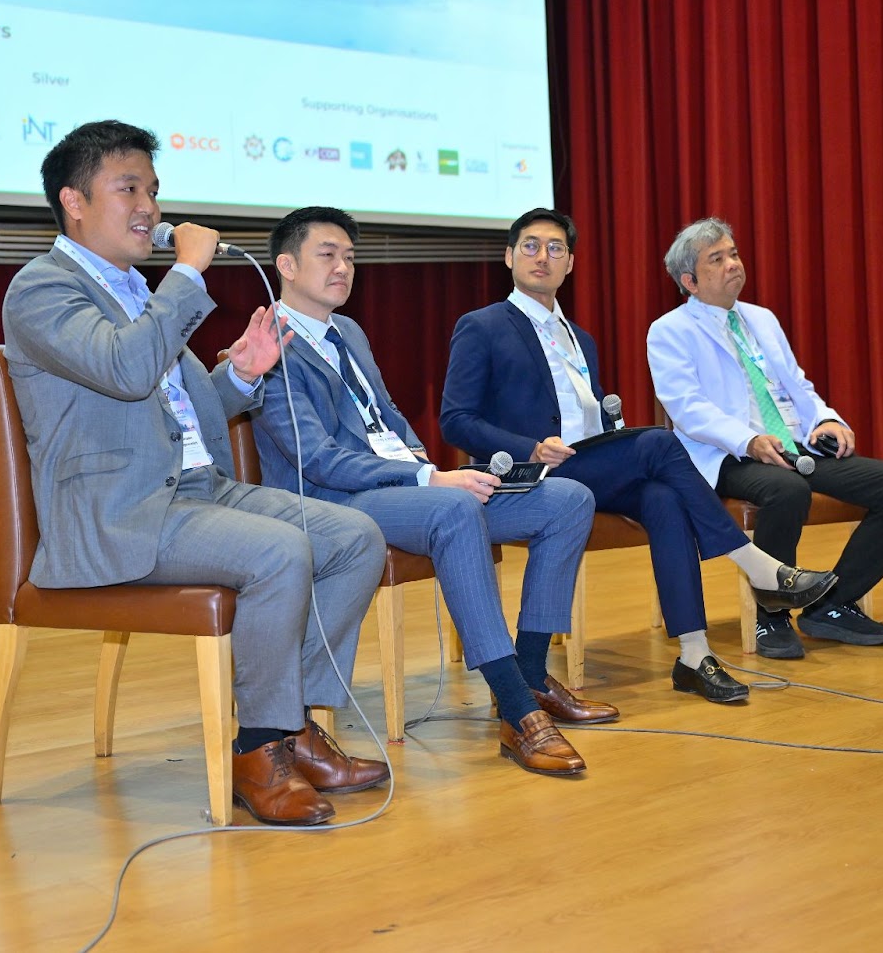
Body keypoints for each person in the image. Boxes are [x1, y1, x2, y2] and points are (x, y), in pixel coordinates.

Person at [1, 121, 389, 826]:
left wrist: (240, 374)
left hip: (198, 491)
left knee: (355, 536)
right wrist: (184, 276)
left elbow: (185, 407)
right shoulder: (42, 289)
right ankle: (259, 748)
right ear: (75, 201)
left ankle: (293, 725)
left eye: (153, 189)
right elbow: (125, 370)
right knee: (279, 552)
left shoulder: (134, 293)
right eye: (129, 188)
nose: (150, 206)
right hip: (123, 512)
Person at [254, 206, 614, 777]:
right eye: (328, 255)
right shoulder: (268, 345)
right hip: (335, 503)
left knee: (568, 498)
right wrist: (427, 479)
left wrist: (427, 466)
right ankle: (518, 711)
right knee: (452, 508)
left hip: (410, 493)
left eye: (350, 257)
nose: (344, 267)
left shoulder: (346, 331)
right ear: (287, 265)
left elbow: (391, 418)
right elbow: (317, 458)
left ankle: (529, 672)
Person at [439, 207, 839, 701]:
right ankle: (754, 562)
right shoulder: (482, 325)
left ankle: (694, 654)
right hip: (536, 471)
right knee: (659, 442)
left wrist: (612, 426)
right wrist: (529, 446)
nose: (543, 256)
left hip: (589, 463)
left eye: (556, 248)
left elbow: (590, 416)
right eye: (530, 246)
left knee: (663, 498)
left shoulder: (578, 339)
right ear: (508, 257)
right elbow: (455, 419)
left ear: (570, 264)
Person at [647, 217, 883, 659]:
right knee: (786, 491)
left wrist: (826, 420)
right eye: (716, 260)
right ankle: (770, 618)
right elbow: (688, 408)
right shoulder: (669, 331)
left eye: (733, 254)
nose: (732, 265)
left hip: (796, 446)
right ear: (690, 281)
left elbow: (797, 386)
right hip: (725, 455)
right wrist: (749, 439)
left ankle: (831, 605)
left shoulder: (761, 318)